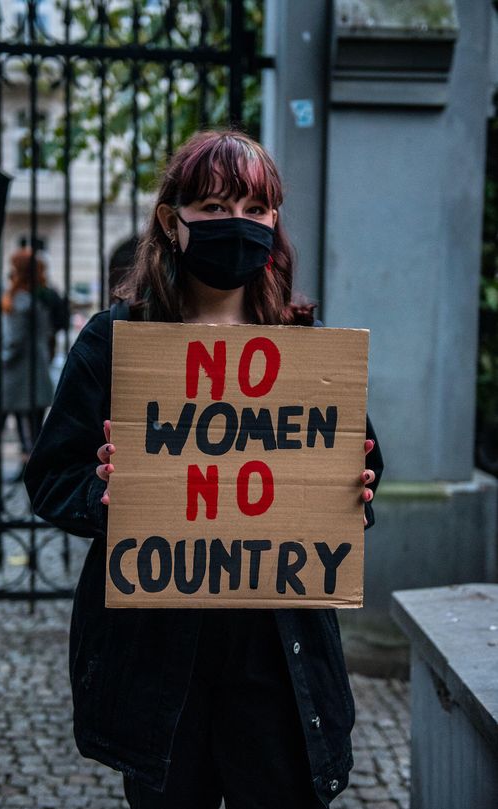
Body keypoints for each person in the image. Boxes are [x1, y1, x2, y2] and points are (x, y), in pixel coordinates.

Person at [24, 130, 383, 809]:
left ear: (274, 220)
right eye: (214, 208)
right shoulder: (114, 342)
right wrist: (104, 491)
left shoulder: (303, 346)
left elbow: (357, 463)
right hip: (159, 661)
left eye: (254, 208)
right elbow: (53, 478)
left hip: (276, 658)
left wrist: (354, 489)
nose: (236, 224)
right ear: (172, 220)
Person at [0, 247, 54, 481]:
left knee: (24, 425)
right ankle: (36, 467)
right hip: (38, 366)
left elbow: (16, 340)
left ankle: (29, 468)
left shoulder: (21, 300)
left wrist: (3, 358)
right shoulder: (40, 297)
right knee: (35, 424)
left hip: (21, 370)